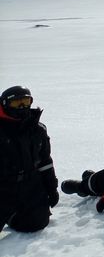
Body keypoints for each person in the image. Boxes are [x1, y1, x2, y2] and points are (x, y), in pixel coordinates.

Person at [0, 86, 59, 233]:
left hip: (30, 184)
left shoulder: (37, 130)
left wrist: (51, 189)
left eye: (26, 101)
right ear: (5, 104)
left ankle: (13, 216)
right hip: (3, 186)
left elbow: (45, 162)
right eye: (16, 103)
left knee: (37, 223)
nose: (22, 106)